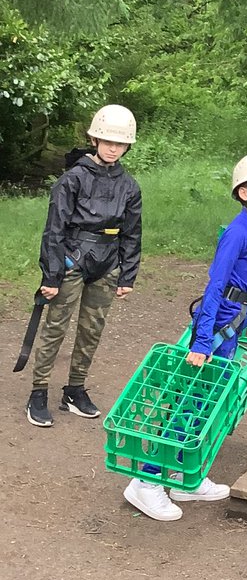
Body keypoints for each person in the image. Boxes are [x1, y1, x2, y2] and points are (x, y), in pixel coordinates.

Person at [124, 152, 247, 521]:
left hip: (232, 326)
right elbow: (215, 285)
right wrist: (201, 341)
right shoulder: (237, 232)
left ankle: (184, 474)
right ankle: (146, 481)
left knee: (207, 403)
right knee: (190, 402)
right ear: (244, 193)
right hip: (215, 329)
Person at [26, 105, 142, 428]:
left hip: (107, 265)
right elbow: (54, 229)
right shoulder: (72, 179)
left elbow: (132, 233)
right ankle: (38, 392)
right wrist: (51, 274)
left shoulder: (129, 187)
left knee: (92, 330)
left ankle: (74, 390)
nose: (112, 147)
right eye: (106, 140)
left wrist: (127, 274)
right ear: (94, 138)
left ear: (127, 146)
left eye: (119, 143)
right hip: (72, 260)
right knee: (56, 326)